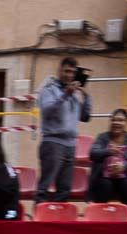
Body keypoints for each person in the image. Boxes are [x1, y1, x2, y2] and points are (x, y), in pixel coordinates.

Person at [36, 56, 92, 202]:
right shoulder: (48, 89)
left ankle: (59, 221)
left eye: (72, 72)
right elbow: (47, 111)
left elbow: (85, 117)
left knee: (65, 188)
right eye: (66, 71)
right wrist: (65, 95)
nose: (69, 75)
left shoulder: (74, 94)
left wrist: (86, 96)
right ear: (59, 70)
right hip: (53, 142)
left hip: (71, 145)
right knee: (45, 185)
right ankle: (39, 219)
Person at [88, 108, 127, 207]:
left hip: (125, 176)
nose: (116, 122)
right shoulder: (102, 137)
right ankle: (100, 217)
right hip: (104, 177)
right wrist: (108, 152)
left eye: (120, 120)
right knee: (104, 185)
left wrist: (123, 166)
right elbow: (93, 154)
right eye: (113, 120)